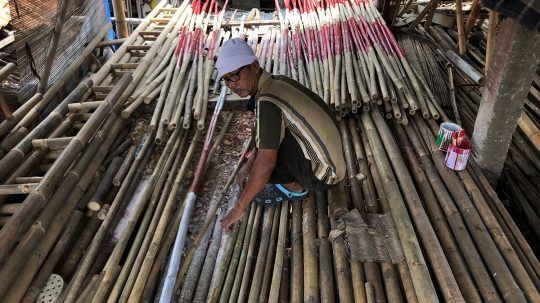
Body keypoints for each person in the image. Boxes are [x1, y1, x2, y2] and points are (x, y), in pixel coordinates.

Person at [216, 38, 346, 232]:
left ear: (254, 66)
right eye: (226, 79)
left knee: (266, 161)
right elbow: (261, 139)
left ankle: (294, 187)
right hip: (332, 162)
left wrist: (239, 207)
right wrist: (248, 166)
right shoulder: (277, 82)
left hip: (323, 175)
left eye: (235, 76)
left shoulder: (267, 100)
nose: (232, 85)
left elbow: (266, 162)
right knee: (264, 135)